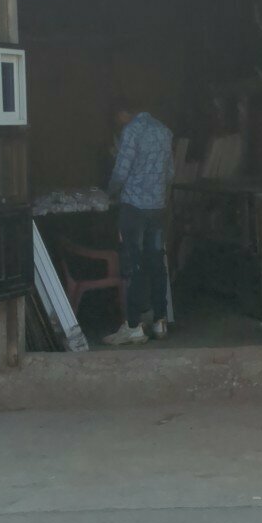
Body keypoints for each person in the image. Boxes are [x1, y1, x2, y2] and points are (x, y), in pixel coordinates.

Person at [104, 100, 174, 346]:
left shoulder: (131, 131)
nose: (117, 123)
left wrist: (110, 191)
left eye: (117, 118)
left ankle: (133, 326)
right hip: (157, 208)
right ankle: (160, 320)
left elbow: (121, 172)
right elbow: (170, 173)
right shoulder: (165, 132)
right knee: (156, 261)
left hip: (134, 208)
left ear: (124, 112)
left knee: (133, 263)